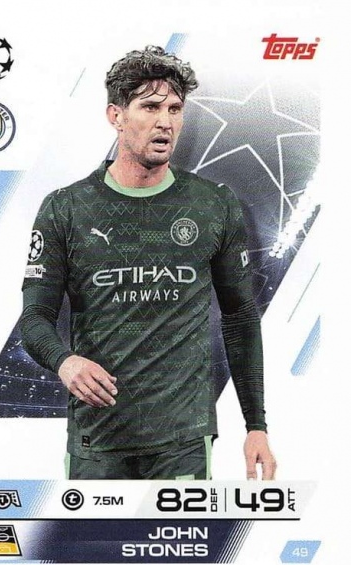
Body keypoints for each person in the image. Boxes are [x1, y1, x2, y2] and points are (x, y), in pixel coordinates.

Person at [20, 45, 277, 480]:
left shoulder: (213, 204)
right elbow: (35, 318)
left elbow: (240, 317)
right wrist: (65, 362)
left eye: (175, 109)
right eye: (150, 107)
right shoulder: (66, 208)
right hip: (97, 441)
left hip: (183, 443)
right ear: (116, 116)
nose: (166, 122)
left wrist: (256, 426)